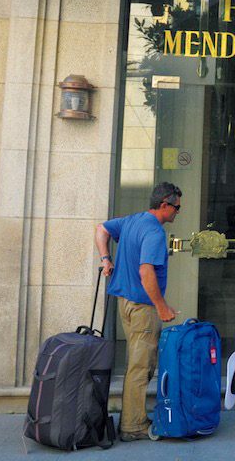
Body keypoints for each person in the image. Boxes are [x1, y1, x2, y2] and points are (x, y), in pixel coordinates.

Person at [94, 182, 181, 442]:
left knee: (136, 363)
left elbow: (101, 229)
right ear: (164, 205)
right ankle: (133, 426)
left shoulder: (131, 221)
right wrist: (162, 307)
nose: (178, 212)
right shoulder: (154, 232)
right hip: (144, 308)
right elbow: (146, 271)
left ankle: (133, 418)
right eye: (176, 207)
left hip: (126, 303)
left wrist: (106, 259)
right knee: (141, 366)